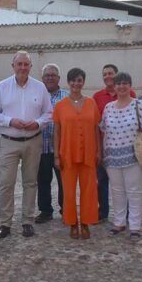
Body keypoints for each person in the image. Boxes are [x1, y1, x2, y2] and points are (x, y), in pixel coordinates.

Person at [0, 51, 53, 238]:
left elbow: (49, 113)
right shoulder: (2, 87)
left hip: (33, 141)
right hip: (9, 142)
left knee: (30, 183)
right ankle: (5, 223)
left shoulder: (39, 87)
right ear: (13, 66)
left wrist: (38, 123)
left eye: (26, 64)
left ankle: (27, 221)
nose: (23, 67)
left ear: (31, 67)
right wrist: (10, 121)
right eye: (19, 64)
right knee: (6, 184)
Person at [99, 72, 142, 240]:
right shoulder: (108, 107)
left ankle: (135, 226)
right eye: (118, 84)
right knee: (117, 191)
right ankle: (119, 222)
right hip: (112, 158)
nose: (121, 86)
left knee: (135, 191)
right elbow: (103, 130)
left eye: (125, 83)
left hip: (134, 156)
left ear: (130, 85)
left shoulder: (139, 105)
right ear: (114, 87)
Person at [53, 68, 100, 239]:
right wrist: (57, 155)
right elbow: (57, 132)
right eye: (73, 80)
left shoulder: (91, 103)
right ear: (68, 82)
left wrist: (98, 151)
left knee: (89, 191)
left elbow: (96, 129)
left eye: (79, 80)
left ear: (83, 82)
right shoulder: (60, 106)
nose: (76, 84)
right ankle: (72, 223)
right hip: (68, 154)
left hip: (88, 153)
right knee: (69, 192)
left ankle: (86, 222)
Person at [92, 64, 136, 222]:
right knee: (102, 181)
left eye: (110, 73)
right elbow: (96, 125)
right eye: (104, 74)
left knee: (126, 183)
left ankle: (129, 213)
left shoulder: (129, 93)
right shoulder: (97, 97)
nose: (107, 76)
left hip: (126, 147)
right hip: (105, 145)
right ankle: (103, 211)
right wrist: (98, 149)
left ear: (117, 75)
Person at [35, 63, 68, 224]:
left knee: (64, 182)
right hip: (41, 146)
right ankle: (45, 211)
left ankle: (66, 210)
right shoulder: (35, 95)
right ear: (42, 79)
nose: (49, 78)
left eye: (52, 75)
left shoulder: (66, 97)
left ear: (58, 79)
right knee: (42, 181)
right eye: (47, 75)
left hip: (60, 148)